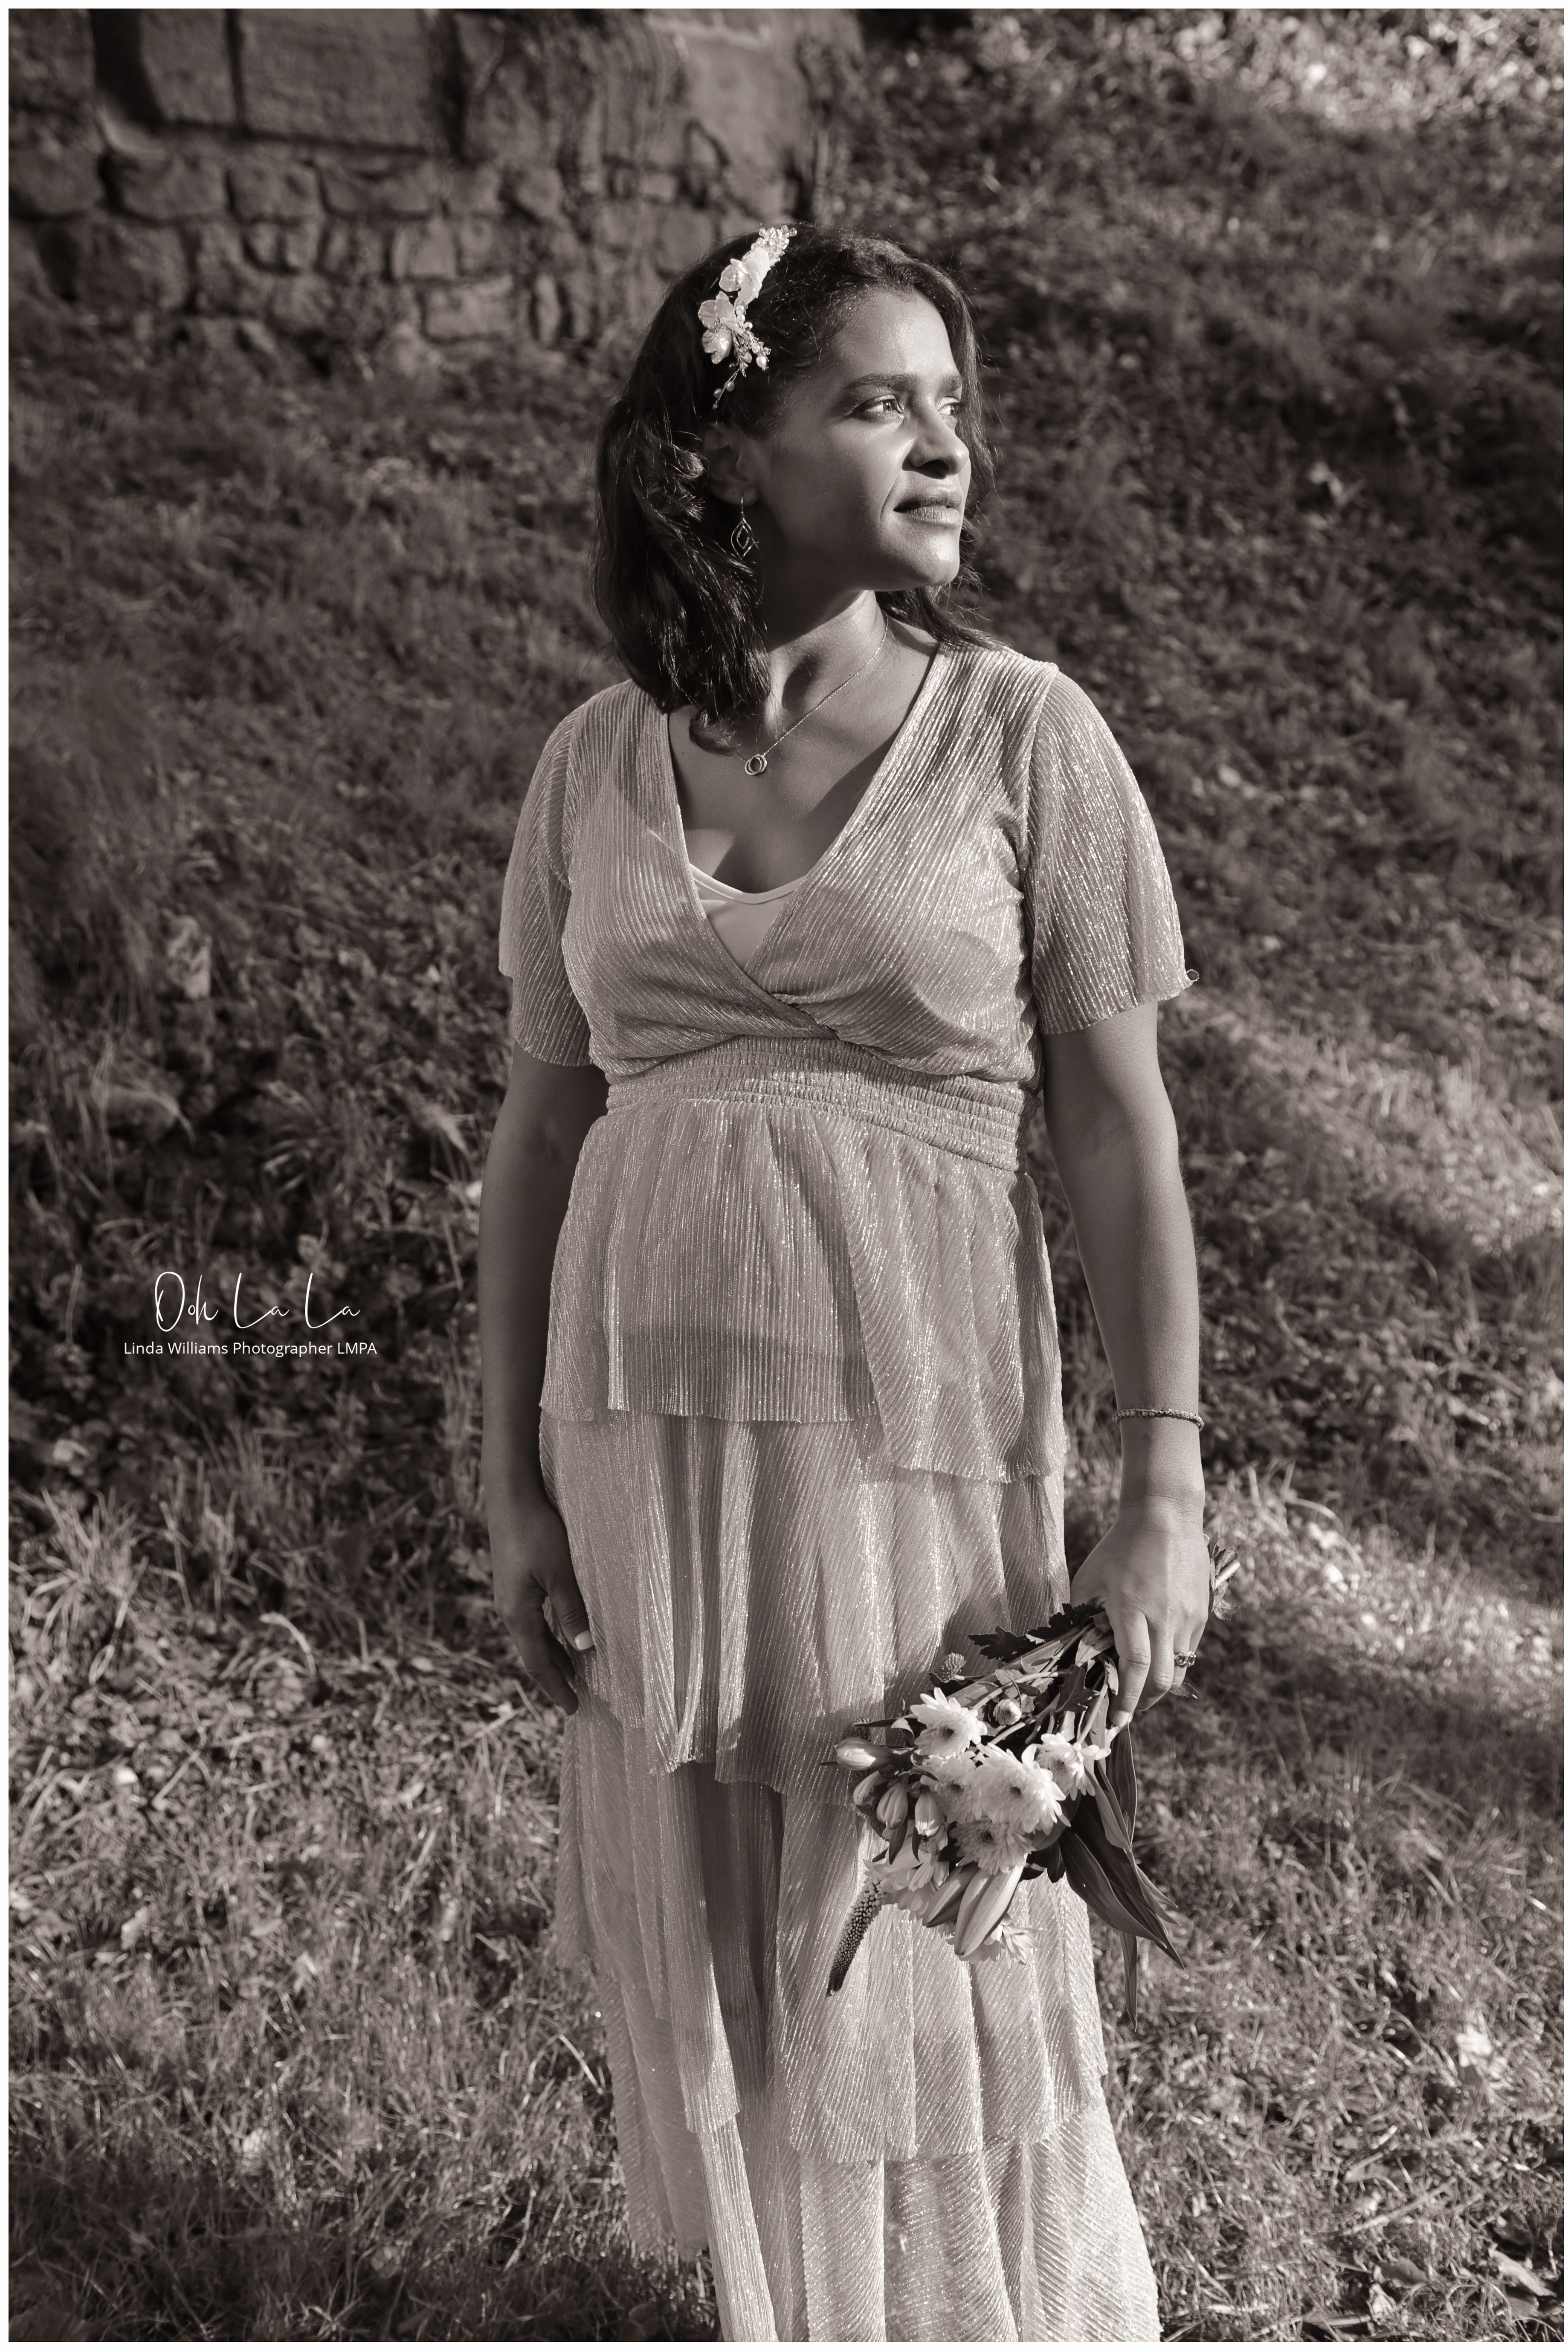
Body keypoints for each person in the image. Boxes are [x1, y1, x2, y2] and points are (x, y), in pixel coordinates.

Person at [479, 221, 1211, 2343]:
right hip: (646, 1453)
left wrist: (1157, 1484)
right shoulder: (586, 768)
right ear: (726, 448)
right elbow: (538, 1134)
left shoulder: (1017, 735)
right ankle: (773, 2308)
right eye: (876, 400)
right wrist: (513, 1478)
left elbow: (1115, 1125)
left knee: (915, 1899)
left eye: (949, 405)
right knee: (719, 1918)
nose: (941, 445)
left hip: (915, 1435)